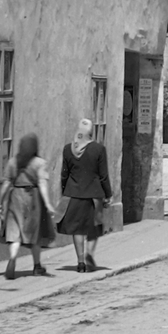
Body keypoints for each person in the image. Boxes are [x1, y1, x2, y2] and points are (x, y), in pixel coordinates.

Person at [0, 133, 56, 279]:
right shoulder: (39, 163)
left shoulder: (13, 162)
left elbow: (6, 184)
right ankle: (37, 266)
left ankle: (12, 257)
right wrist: (48, 203)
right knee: (34, 235)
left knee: (14, 233)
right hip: (32, 199)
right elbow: (42, 183)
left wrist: (0, 202)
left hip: (15, 197)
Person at [59, 117, 112, 273]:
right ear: (91, 133)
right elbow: (104, 176)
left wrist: (64, 191)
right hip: (94, 195)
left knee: (77, 229)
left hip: (74, 194)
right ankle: (89, 252)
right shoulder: (98, 149)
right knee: (94, 227)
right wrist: (108, 194)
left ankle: (80, 262)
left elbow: (64, 174)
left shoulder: (68, 149)